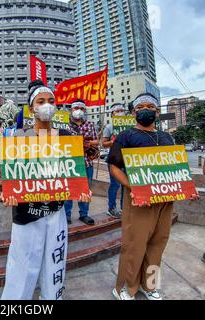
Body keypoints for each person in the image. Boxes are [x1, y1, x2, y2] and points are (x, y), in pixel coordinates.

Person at [0, 80, 91, 300]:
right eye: (41, 101)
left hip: (55, 212)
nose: (47, 106)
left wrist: (81, 189)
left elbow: (74, 171)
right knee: (21, 267)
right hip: (25, 214)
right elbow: (9, 173)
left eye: (51, 101)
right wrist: (7, 192)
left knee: (54, 264)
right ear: (31, 108)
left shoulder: (67, 136)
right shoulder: (17, 137)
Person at [107, 93, 200, 300]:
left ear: (157, 112)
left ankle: (149, 286)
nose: (146, 109)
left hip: (165, 201)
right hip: (139, 200)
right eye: (141, 107)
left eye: (151, 106)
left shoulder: (167, 137)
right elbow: (114, 167)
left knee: (158, 243)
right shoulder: (126, 136)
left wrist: (187, 188)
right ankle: (126, 287)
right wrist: (134, 187)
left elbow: (176, 168)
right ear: (133, 113)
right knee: (134, 244)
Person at [64, 100, 99, 225]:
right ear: (71, 110)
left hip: (87, 163)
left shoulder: (89, 124)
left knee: (85, 189)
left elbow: (96, 141)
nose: (78, 110)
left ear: (84, 110)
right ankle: (66, 215)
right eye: (76, 108)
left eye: (81, 108)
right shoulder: (64, 125)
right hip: (70, 164)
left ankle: (84, 214)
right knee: (68, 189)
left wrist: (86, 143)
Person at [102, 103, 127, 219]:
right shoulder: (109, 127)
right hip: (115, 158)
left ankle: (124, 208)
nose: (120, 112)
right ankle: (111, 208)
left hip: (128, 159)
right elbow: (104, 143)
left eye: (122, 110)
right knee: (115, 184)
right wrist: (113, 142)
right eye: (117, 111)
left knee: (125, 184)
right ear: (112, 114)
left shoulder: (130, 126)